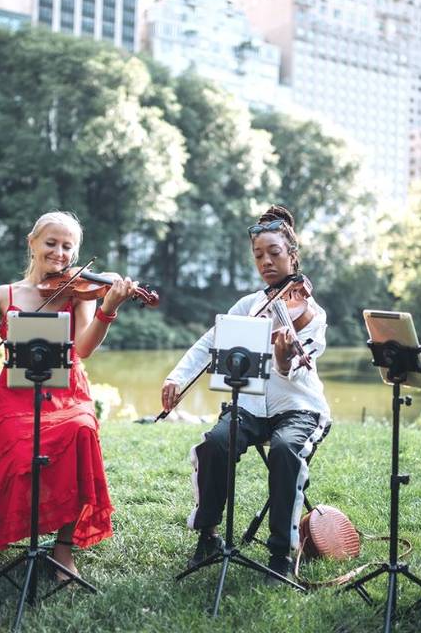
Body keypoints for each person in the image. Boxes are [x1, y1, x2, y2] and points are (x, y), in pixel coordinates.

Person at [0, 211, 136, 577]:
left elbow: (83, 347)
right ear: (32, 243)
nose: (59, 253)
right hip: (17, 395)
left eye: (68, 247)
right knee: (18, 456)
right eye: (51, 243)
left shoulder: (81, 293)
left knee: (82, 429)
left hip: (67, 392)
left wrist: (107, 310)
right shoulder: (4, 294)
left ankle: (63, 550)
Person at [160, 205, 330, 582]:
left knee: (286, 450)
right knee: (214, 444)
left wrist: (284, 358)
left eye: (274, 253)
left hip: (298, 408)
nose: (266, 261)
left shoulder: (312, 315)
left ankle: (280, 554)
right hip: (249, 406)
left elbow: (291, 370)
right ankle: (208, 534)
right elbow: (209, 343)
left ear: (292, 255)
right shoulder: (249, 305)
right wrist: (176, 377)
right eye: (258, 255)